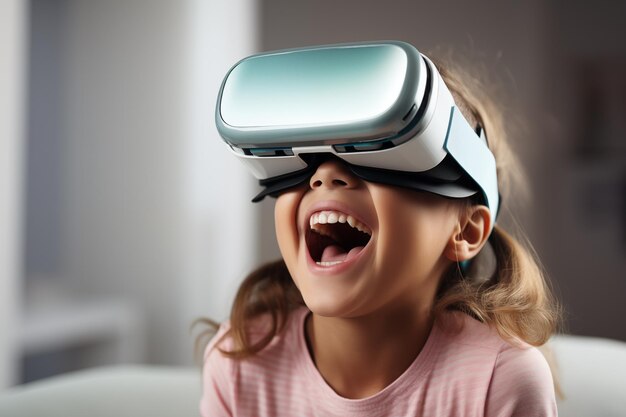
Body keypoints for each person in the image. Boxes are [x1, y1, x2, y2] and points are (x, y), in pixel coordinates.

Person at [199, 41, 562, 417]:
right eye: (303, 154)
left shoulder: (498, 380)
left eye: (377, 151)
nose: (325, 174)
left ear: (466, 232)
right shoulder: (240, 363)